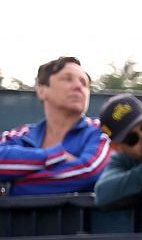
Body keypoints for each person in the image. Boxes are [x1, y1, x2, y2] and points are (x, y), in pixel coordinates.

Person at [0, 57, 109, 196]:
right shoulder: (21, 134)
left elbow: (89, 172)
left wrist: (12, 187)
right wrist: (56, 155)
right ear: (42, 91)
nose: (78, 86)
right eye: (67, 79)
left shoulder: (103, 130)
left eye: (84, 83)